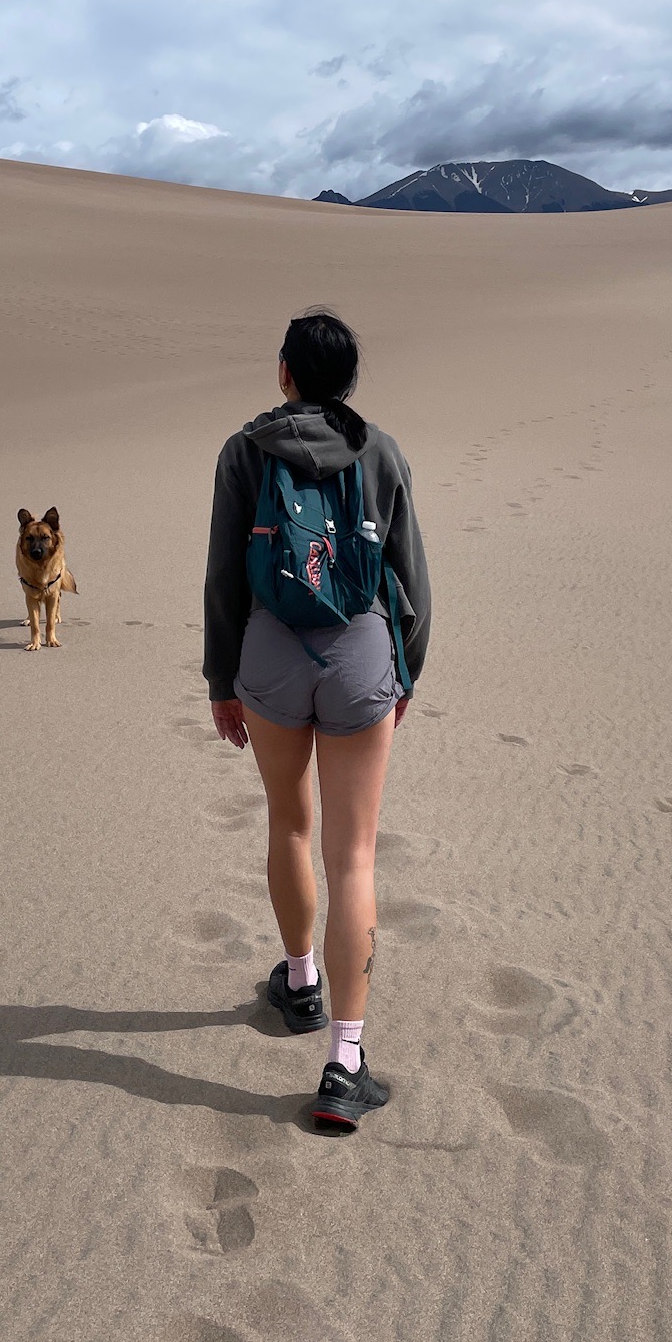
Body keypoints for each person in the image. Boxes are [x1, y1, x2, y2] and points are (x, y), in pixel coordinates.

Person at [204, 308, 431, 1132]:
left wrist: (219, 677)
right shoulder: (381, 450)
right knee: (355, 856)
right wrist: (404, 669)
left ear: (285, 372)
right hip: (359, 653)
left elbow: (225, 574)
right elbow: (411, 574)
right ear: (349, 381)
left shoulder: (244, 449)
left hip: (267, 650)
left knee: (290, 824)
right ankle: (344, 1060)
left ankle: (298, 982)